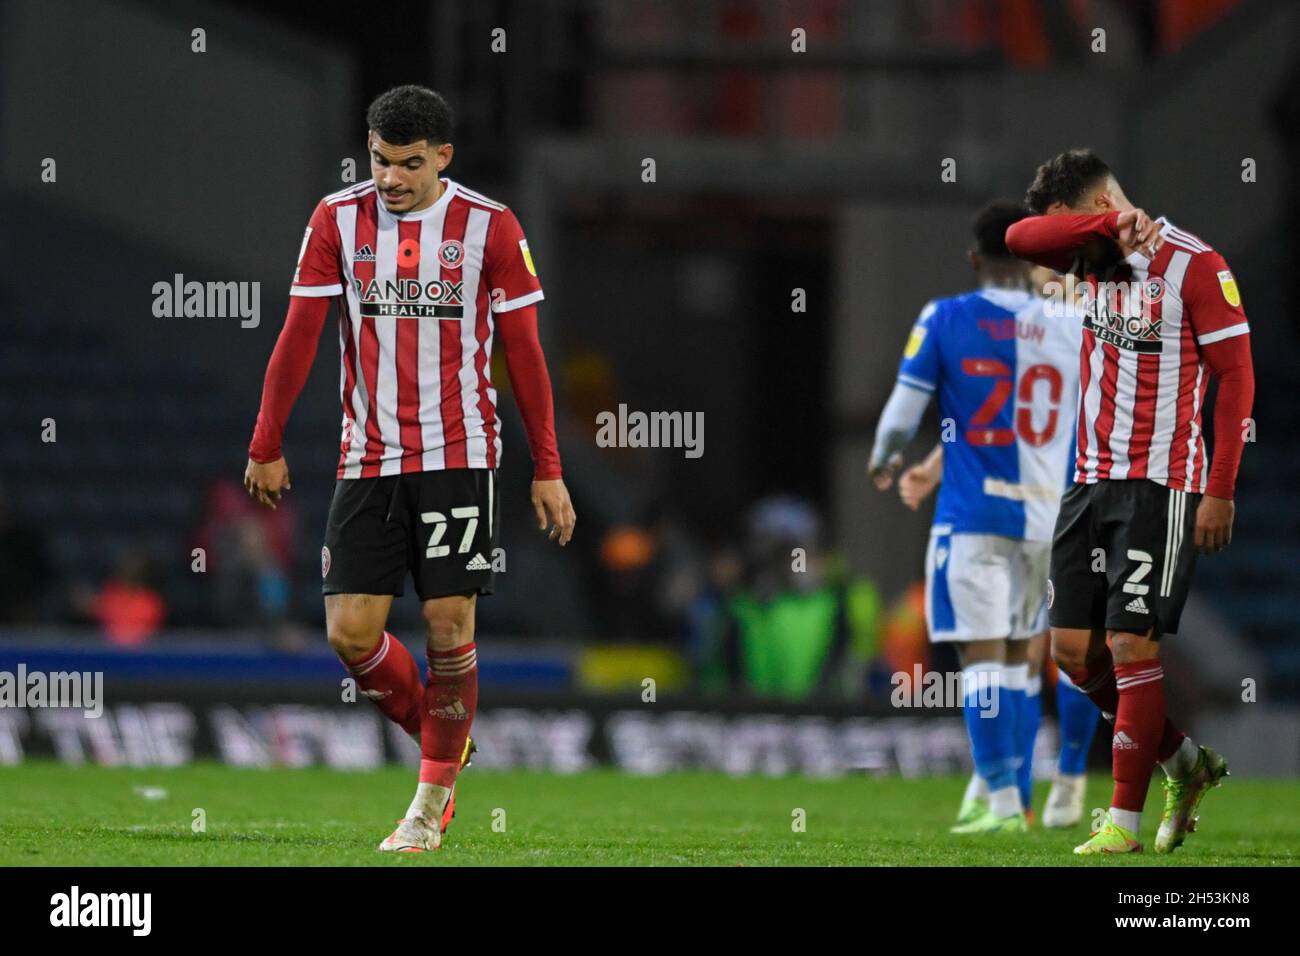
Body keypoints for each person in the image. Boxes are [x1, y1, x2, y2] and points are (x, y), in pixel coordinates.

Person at [243, 85, 576, 853]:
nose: (391, 179)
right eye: (380, 161)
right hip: (369, 454)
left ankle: (428, 805)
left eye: (409, 165)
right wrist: (267, 440)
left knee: (445, 620)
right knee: (349, 632)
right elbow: (299, 333)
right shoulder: (335, 219)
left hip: (461, 453)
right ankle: (443, 733)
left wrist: (547, 467)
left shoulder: (490, 226)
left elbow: (524, 354)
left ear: (444, 158)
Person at [1005, 148, 1254, 854]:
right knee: (1075, 656)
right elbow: (1020, 239)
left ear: (1092, 204)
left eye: (1068, 226)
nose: (1061, 243)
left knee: (1129, 642)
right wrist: (1110, 224)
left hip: (1162, 483)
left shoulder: (1195, 264)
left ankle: (1124, 821)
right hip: (1088, 478)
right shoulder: (1090, 258)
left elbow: (1236, 378)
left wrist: (1221, 490)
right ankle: (1183, 762)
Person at [868, 200, 1082, 833]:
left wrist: (886, 458)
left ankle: (998, 802)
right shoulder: (1072, 325)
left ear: (974, 258)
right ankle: (1024, 789)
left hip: (975, 515)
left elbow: (904, 411)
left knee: (984, 662)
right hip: (1052, 519)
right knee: (1021, 662)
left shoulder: (947, 317)